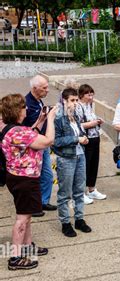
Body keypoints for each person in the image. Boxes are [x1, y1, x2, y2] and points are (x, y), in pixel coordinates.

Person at [0, 94, 57, 270]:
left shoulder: (11, 129)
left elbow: (30, 135)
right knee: (22, 219)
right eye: (24, 108)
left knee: (27, 214)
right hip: (25, 179)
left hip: (17, 177)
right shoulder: (19, 132)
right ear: (18, 111)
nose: (26, 110)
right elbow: (47, 141)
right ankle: (15, 258)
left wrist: (40, 120)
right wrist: (51, 119)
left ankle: (27, 246)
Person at [53, 88, 92, 237]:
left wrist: (83, 138)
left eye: (76, 100)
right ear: (64, 101)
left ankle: (79, 219)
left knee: (79, 190)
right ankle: (65, 223)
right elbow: (55, 141)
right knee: (65, 193)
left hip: (80, 155)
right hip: (66, 158)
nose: (75, 103)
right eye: (72, 101)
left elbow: (79, 131)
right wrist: (76, 139)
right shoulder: (58, 117)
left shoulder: (74, 114)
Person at [23, 75, 56, 217]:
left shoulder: (38, 101)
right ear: (35, 88)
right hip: (33, 146)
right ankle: (33, 206)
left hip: (43, 143)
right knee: (34, 177)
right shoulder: (26, 104)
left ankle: (43, 201)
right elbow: (24, 130)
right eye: (44, 88)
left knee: (47, 175)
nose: (47, 90)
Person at [77, 84, 106, 203]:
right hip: (86, 139)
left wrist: (98, 121)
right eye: (88, 94)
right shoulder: (78, 107)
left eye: (92, 94)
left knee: (94, 164)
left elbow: (92, 119)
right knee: (85, 166)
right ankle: (81, 192)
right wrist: (93, 123)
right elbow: (78, 125)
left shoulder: (90, 105)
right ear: (82, 95)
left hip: (95, 137)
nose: (91, 96)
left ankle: (92, 189)